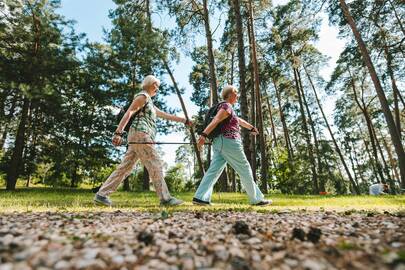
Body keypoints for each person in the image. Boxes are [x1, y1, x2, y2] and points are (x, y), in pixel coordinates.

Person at [94, 75, 191, 206]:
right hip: (141, 135)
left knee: (125, 168)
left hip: (138, 136)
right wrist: (118, 133)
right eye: (157, 86)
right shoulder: (143, 97)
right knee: (155, 163)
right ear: (151, 84)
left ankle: (101, 195)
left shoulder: (149, 101)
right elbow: (129, 112)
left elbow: (165, 115)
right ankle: (165, 198)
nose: (158, 89)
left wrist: (184, 121)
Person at [192, 85, 272, 206]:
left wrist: (251, 128)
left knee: (214, 171)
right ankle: (257, 199)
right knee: (244, 168)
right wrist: (203, 135)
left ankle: (200, 197)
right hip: (229, 141)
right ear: (229, 95)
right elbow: (216, 120)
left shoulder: (227, 109)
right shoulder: (226, 106)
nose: (237, 95)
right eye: (236, 93)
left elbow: (238, 120)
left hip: (220, 142)